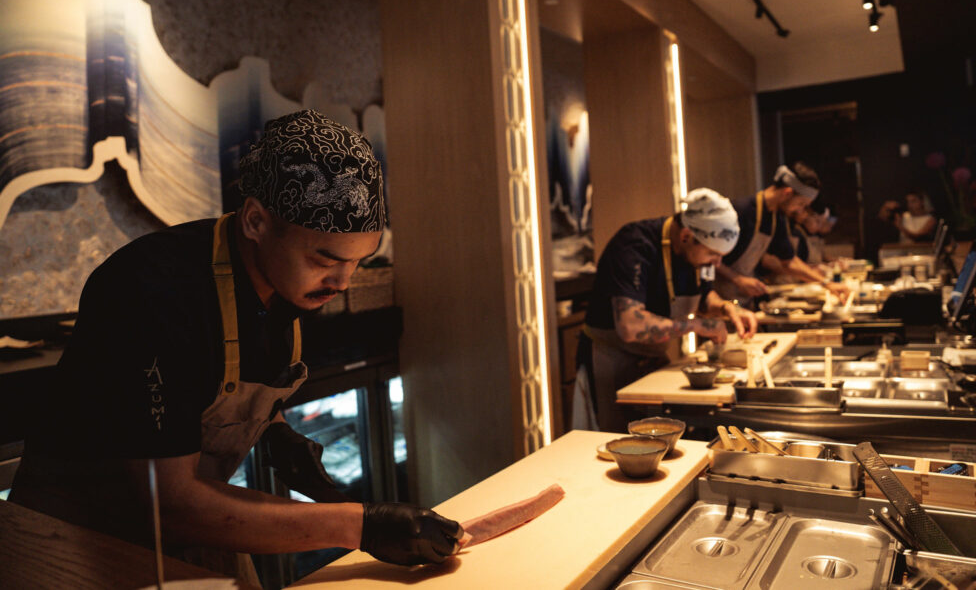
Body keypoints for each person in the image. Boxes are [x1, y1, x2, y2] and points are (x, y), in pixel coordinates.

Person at [10, 110, 463, 584]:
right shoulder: (154, 293)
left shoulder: (284, 280)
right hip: (74, 543)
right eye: (324, 257)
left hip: (196, 532)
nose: (343, 282)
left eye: (358, 261)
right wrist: (358, 525)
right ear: (255, 221)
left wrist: (275, 431)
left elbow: (214, 388)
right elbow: (170, 503)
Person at [571, 188, 758, 432]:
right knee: (613, 441)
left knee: (657, 435)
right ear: (686, 236)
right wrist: (697, 326)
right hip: (609, 360)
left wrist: (726, 308)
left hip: (653, 361)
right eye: (712, 253)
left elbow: (703, 296)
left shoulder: (697, 254)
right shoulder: (633, 245)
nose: (717, 263)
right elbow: (631, 326)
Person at [714, 163, 849, 300]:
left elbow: (789, 262)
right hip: (718, 296)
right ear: (787, 193)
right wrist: (737, 279)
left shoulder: (776, 218)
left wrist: (827, 283)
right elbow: (710, 257)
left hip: (743, 297)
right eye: (801, 204)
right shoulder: (741, 210)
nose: (800, 210)